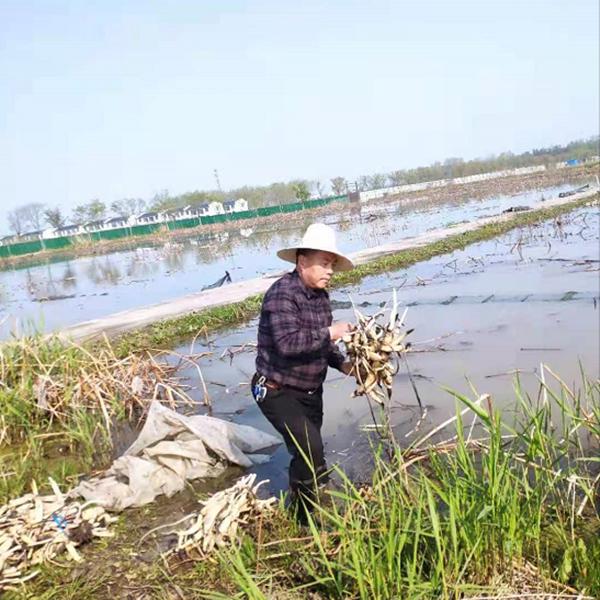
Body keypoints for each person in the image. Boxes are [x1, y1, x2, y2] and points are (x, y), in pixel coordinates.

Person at [252, 222, 354, 521]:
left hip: (310, 390)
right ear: (302, 262)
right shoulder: (281, 294)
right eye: (324, 263)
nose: (330, 270)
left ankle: (316, 500)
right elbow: (287, 344)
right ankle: (302, 520)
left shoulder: (321, 297)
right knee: (309, 450)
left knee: (310, 452)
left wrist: (343, 364)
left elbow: (321, 345)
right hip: (276, 390)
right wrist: (332, 333)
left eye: (332, 264)